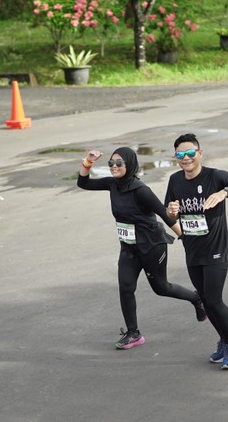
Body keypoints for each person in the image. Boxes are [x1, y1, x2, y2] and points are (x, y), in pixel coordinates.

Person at [77, 146, 207, 350]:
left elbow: (165, 214)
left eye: (119, 163)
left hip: (151, 246)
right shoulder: (112, 184)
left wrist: (185, 238)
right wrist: (89, 161)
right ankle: (133, 333)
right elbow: (82, 183)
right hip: (129, 247)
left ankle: (196, 298)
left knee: (161, 288)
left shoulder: (141, 190)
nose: (114, 166)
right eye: (111, 163)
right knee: (125, 288)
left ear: (129, 164)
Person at [164, 133, 228, 369]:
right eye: (180, 154)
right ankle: (224, 341)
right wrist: (172, 211)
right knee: (205, 300)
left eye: (190, 153)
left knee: (214, 299)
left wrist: (225, 192)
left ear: (200, 153)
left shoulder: (215, 176)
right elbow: (170, 212)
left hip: (216, 248)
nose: (185, 158)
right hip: (192, 249)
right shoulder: (175, 180)